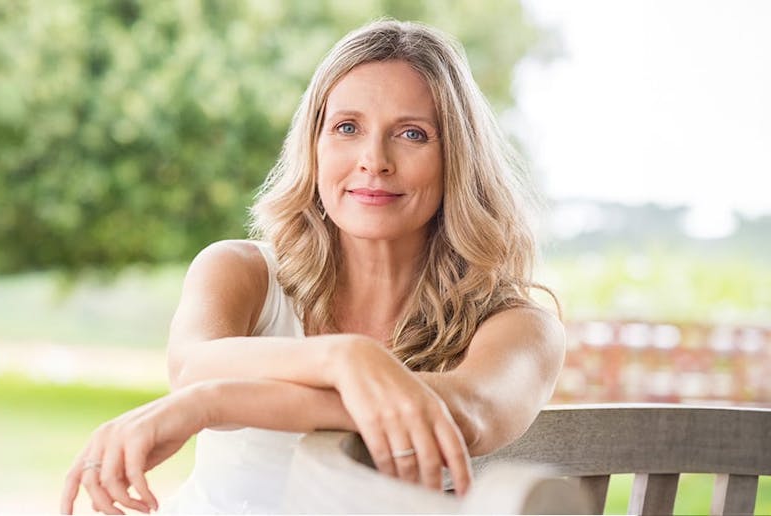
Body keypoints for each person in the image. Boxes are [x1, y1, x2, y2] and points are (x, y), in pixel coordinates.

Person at [60, 19, 564, 515]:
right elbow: (193, 366)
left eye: (412, 134)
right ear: (314, 146)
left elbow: (469, 412)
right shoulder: (239, 271)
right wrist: (342, 359)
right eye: (347, 128)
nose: (374, 160)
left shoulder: (522, 326)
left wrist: (212, 404)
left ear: (457, 157)